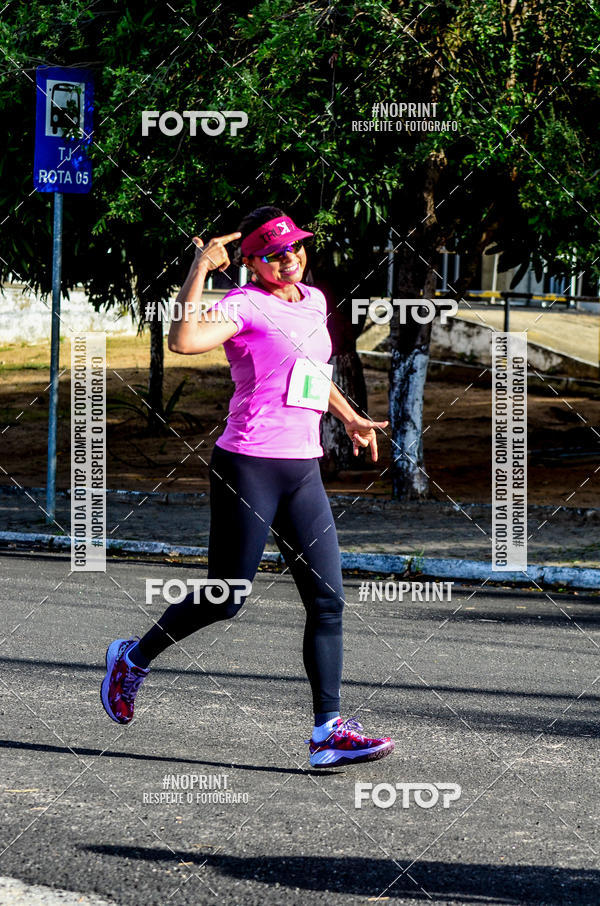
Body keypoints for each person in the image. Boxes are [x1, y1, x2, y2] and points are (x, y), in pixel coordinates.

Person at [101, 205, 395, 767]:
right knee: (227, 597)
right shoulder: (242, 305)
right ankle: (132, 659)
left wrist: (349, 416)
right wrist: (199, 269)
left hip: (302, 467)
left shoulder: (313, 300)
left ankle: (327, 731)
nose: (291, 259)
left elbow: (311, 370)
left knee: (328, 600)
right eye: (276, 254)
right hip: (249, 465)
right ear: (254, 261)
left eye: (297, 248)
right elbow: (183, 342)